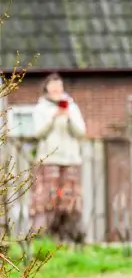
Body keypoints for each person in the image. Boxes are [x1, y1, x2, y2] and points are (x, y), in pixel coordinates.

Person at [30, 73, 87, 243]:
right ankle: (42, 237)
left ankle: (70, 237)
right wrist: (52, 117)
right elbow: (37, 133)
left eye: (59, 87)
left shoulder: (72, 107)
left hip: (70, 160)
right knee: (47, 199)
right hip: (48, 160)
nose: (56, 90)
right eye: (53, 87)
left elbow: (81, 132)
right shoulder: (41, 109)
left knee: (69, 200)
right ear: (46, 89)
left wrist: (68, 116)